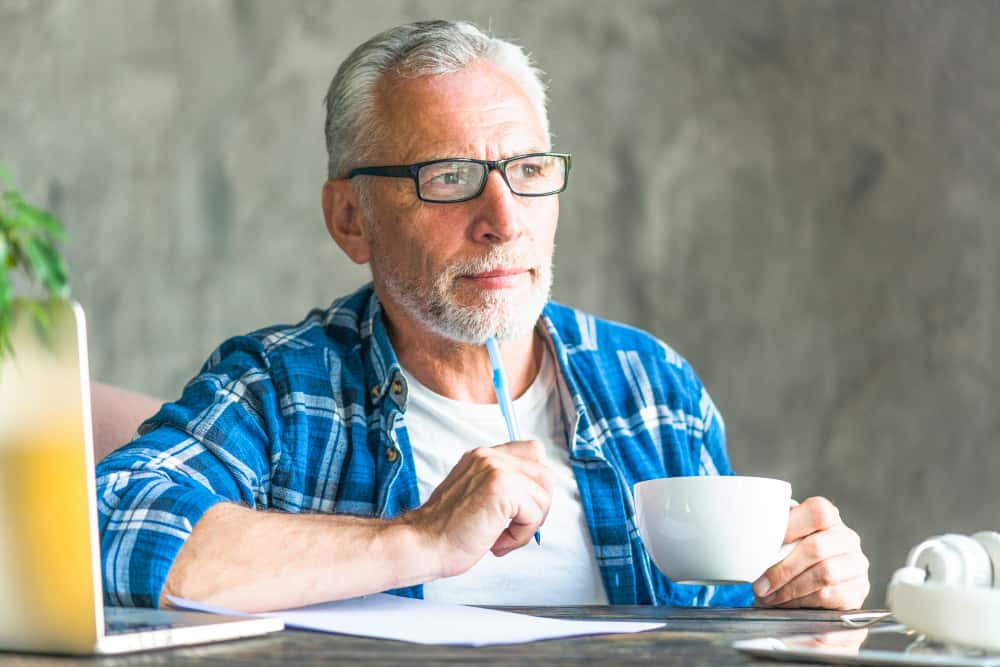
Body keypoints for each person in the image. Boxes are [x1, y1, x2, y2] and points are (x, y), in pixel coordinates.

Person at [96, 20, 869, 612]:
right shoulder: (280, 389)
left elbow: (725, 621)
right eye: (450, 176)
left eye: (529, 171)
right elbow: (109, 531)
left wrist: (799, 592)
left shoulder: (651, 384)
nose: (504, 218)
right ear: (350, 219)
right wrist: (421, 537)